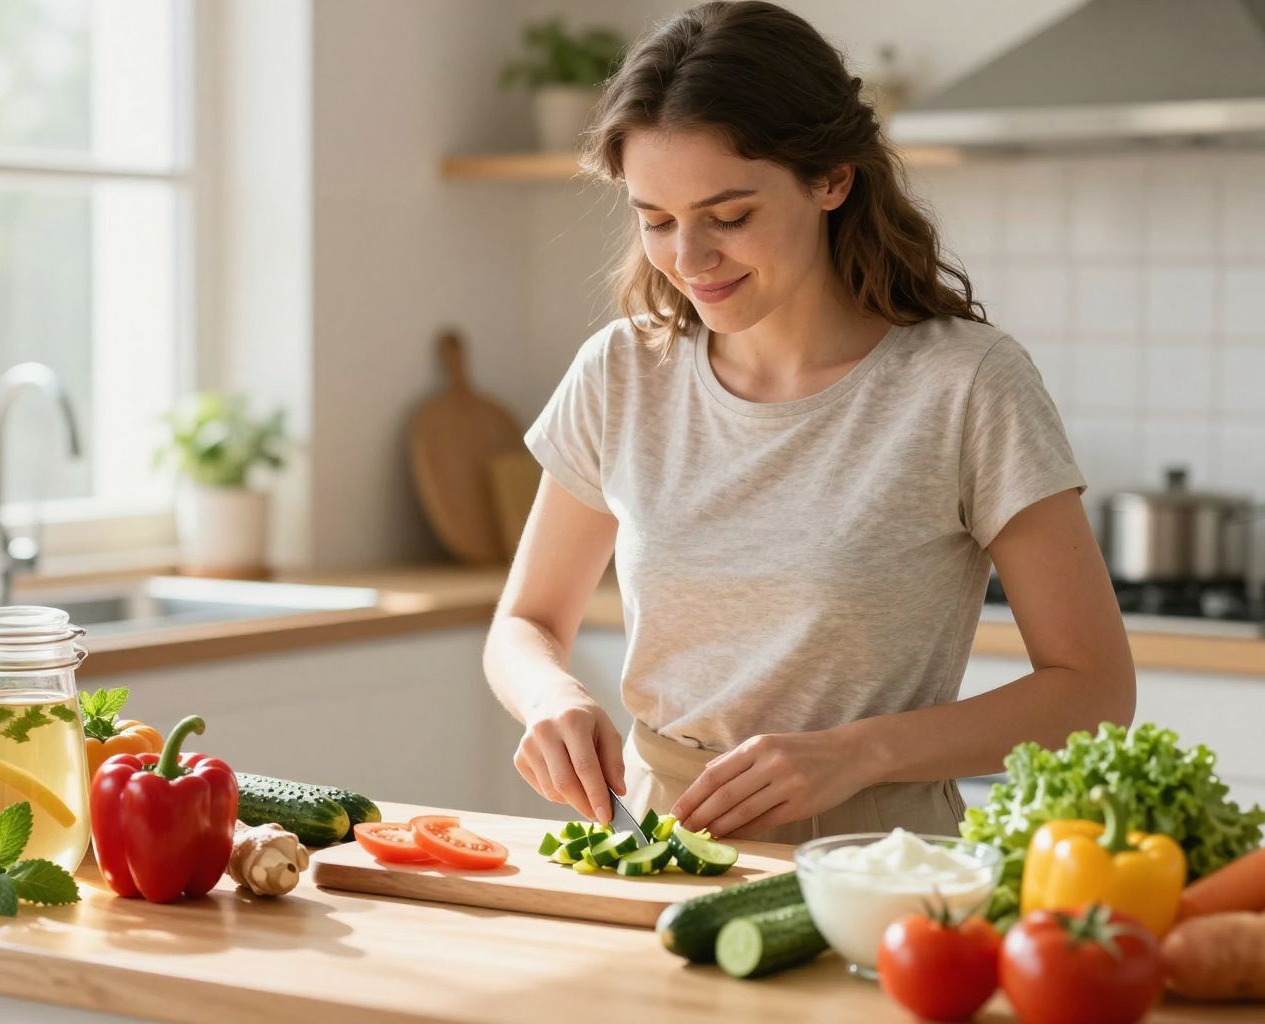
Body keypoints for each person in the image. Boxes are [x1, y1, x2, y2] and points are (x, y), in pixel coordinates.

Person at [482, 1, 1134, 844]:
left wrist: (856, 754)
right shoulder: (620, 372)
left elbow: (1094, 690)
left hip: (879, 865)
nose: (689, 259)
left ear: (832, 178)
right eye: (656, 221)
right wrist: (552, 697)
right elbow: (525, 622)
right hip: (654, 840)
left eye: (730, 216)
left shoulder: (965, 384)